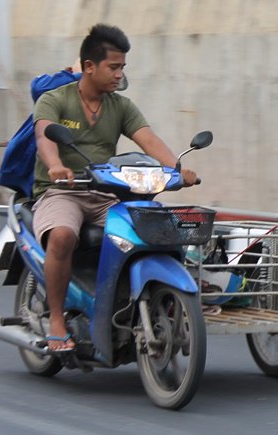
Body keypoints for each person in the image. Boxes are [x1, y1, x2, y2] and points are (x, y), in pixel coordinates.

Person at [32, 24, 199, 352]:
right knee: (63, 235)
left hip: (106, 194)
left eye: (123, 67)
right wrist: (55, 166)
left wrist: (177, 169)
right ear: (89, 66)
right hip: (62, 192)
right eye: (113, 67)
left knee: (158, 230)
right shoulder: (56, 100)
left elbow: (148, 139)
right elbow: (44, 135)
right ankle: (55, 319)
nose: (119, 74)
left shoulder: (120, 106)